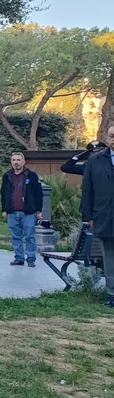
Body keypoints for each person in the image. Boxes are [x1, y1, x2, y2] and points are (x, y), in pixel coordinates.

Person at [80, 123, 114, 308]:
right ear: (108, 138)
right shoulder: (95, 160)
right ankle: (112, 294)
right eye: (111, 136)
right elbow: (87, 190)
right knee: (109, 258)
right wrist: (88, 217)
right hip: (105, 216)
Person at [0, 151, 43, 268]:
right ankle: (19, 258)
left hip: (28, 212)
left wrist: (38, 210)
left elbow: (38, 194)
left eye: (18, 160)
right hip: (12, 212)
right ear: (11, 162)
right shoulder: (7, 176)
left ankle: (31, 258)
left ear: (24, 162)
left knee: (30, 236)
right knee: (15, 237)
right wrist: (4, 209)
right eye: (14, 160)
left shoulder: (31, 175)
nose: (16, 162)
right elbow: (3, 193)